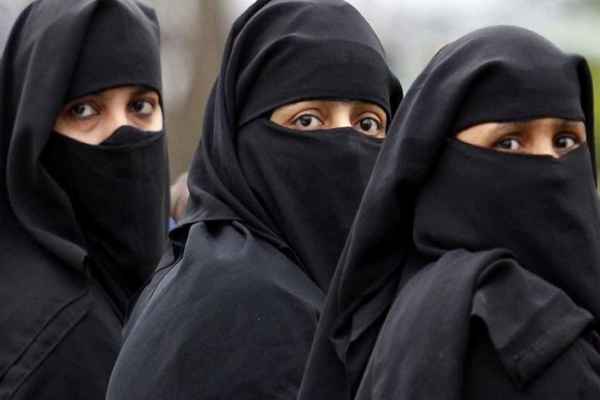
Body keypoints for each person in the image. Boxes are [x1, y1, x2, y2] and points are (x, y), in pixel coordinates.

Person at [106, 0, 402, 398]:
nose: (347, 145)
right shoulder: (256, 308)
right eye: (308, 119)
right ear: (242, 138)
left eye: (368, 123)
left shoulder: (203, 267)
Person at [299, 26, 600, 400]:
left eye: (566, 140)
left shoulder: (407, 301)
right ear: (444, 165)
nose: (548, 162)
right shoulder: (522, 332)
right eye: (508, 142)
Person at [0, 0, 168, 398]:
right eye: (84, 110)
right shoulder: (68, 341)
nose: (122, 133)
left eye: (141, 106)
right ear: (32, 137)